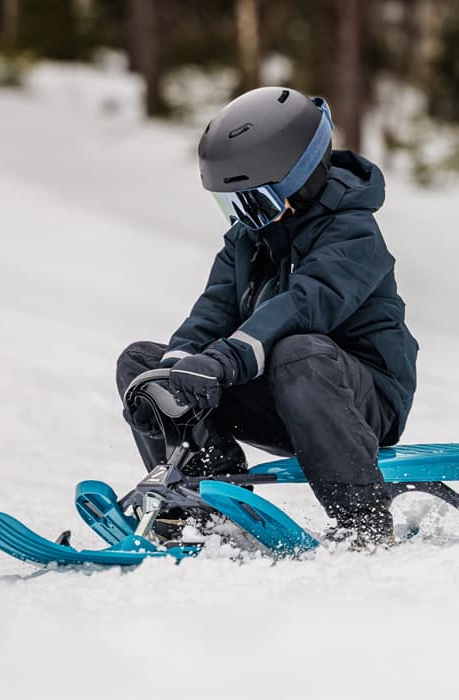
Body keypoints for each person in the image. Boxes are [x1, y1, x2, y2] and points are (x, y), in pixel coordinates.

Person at [116, 86, 418, 547]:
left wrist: (227, 359)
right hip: (280, 391)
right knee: (143, 362)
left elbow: (303, 304)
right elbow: (213, 309)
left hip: (357, 401)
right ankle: (211, 504)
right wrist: (176, 369)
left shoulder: (354, 233)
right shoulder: (248, 238)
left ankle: (365, 524)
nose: (242, 216)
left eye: (252, 200)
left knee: (300, 351)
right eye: (231, 203)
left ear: (298, 181)